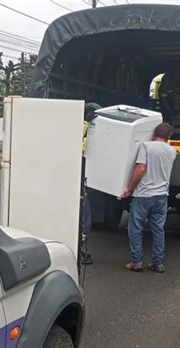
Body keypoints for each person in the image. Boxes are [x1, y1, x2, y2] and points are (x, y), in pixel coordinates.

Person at [122, 123, 177, 273]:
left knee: (136, 228)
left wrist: (130, 189)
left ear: (154, 134)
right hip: (161, 196)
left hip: (144, 195)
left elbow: (140, 169)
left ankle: (136, 262)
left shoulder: (146, 146)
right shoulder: (172, 151)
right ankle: (157, 263)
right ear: (169, 137)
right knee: (158, 229)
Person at [80, 102, 101, 265]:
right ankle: (78, 250)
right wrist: (86, 123)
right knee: (84, 218)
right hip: (76, 183)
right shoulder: (79, 129)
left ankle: (79, 248)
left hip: (82, 182)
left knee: (85, 218)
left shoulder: (90, 133)